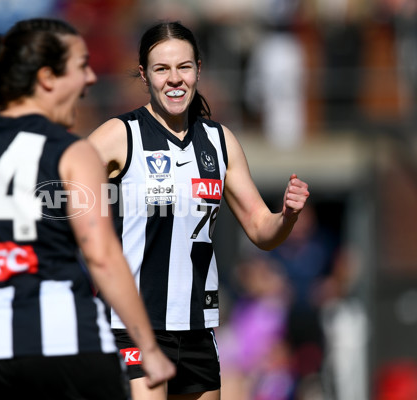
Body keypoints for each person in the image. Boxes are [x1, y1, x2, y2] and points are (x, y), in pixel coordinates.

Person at [0, 18, 175, 400]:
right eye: (82, 65)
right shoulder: (70, 150)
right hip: (61, 345)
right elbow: (101, 255)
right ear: (47, 77)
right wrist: (147, 348)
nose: (92, 77)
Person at [88, 21, 310, 400]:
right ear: (145, 76)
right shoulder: (120, 135)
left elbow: (260, 228)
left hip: (197, 330)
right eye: (162, 69)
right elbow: (59, 190)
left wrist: (286, 216)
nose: (174, 79)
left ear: (198, 70)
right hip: (134, 325)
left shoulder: (220, 142)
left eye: (183, 67)